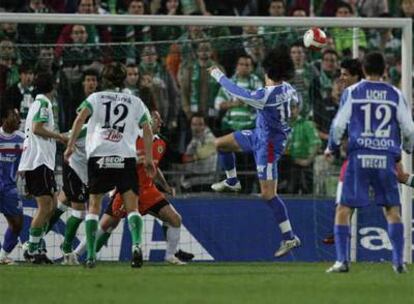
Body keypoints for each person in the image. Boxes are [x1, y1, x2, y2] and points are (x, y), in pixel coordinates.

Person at [325, 52, 414, 274]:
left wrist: (332, 147)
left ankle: (342, 261)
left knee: (344, 208)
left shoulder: (353, 92)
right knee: (392, 209)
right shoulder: (395, 94)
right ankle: (398, 262)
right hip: (385, 158)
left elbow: (338, 126)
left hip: (359, 157)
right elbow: (409, 128)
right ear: (385, 70)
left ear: (363, 70)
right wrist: (408, 149)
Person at [208, 46, 301, 257]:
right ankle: (232, 181)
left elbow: (237, 92)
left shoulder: (264, 96)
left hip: (268, 146)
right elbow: (296, 108)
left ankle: (290, 238)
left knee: (268, 194)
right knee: (220, 144)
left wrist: (217, 74)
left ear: (267, 70)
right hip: (261, 134)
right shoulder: (289, 88)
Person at [64, 62, 155, 268]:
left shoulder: (95, 98)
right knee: (132, 207)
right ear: (123, 80)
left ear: (103, 80)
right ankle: (137, 245)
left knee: (94, 205)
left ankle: (90, 256)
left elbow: (80, 119)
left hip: (99, 156)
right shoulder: (135, 101)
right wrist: (148, 158)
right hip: (125, 156)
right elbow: (147, 128)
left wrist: (70, 145)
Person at [74, 111, 194, 264]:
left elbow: (154, 167)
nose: (161, 122)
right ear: (145, 121)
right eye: (156, 118)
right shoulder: (128, 138)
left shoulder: (161, 143)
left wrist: (165, 186)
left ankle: (171, 255)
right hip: (128, 189)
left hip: (148, 190)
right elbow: (116, 161)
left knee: (175, 219)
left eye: (160, 119)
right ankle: (76, 254)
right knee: (106, 225)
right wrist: (136, 161)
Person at [18, 72, 67, 264]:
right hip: (39, 161)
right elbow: (38, 128)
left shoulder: (36, 103)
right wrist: (59, 136)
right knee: (45, 206)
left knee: (52, 205)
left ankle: (35, 246)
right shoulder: (45, 104)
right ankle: (31, 248)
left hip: (38, 161)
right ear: (52, 87)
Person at [0, 107, 24, 264]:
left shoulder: (22, 139)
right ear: (3, 119)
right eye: (13, 116)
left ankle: (2, 256)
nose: (17, 119)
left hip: (9, 188)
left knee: (17, 223)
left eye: (18, 116)